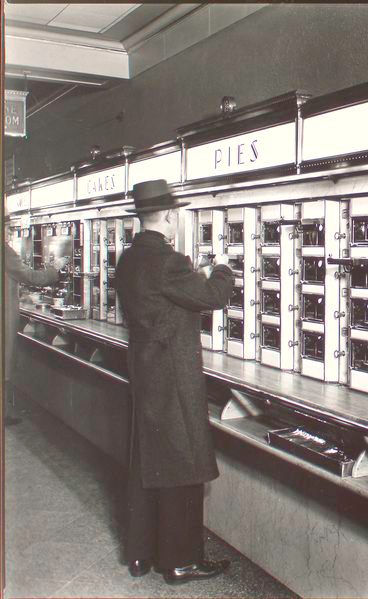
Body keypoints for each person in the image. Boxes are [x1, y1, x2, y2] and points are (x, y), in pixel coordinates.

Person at [115, 179, 234, 584]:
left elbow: (160, 300)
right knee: (183, 464)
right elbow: (214, 296)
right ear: (168, 215)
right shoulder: (169, 261)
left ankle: (140, 554)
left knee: (146, 463)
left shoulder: (128, 260)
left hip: (144, 372)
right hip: (173, 377)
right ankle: (181, 561)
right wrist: (222, 266)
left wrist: (192, 277)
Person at [3, 242, 68, 425]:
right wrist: (54, 268)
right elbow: (32, 277)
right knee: (5, 363)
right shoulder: (4, 250)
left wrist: (17, 293)